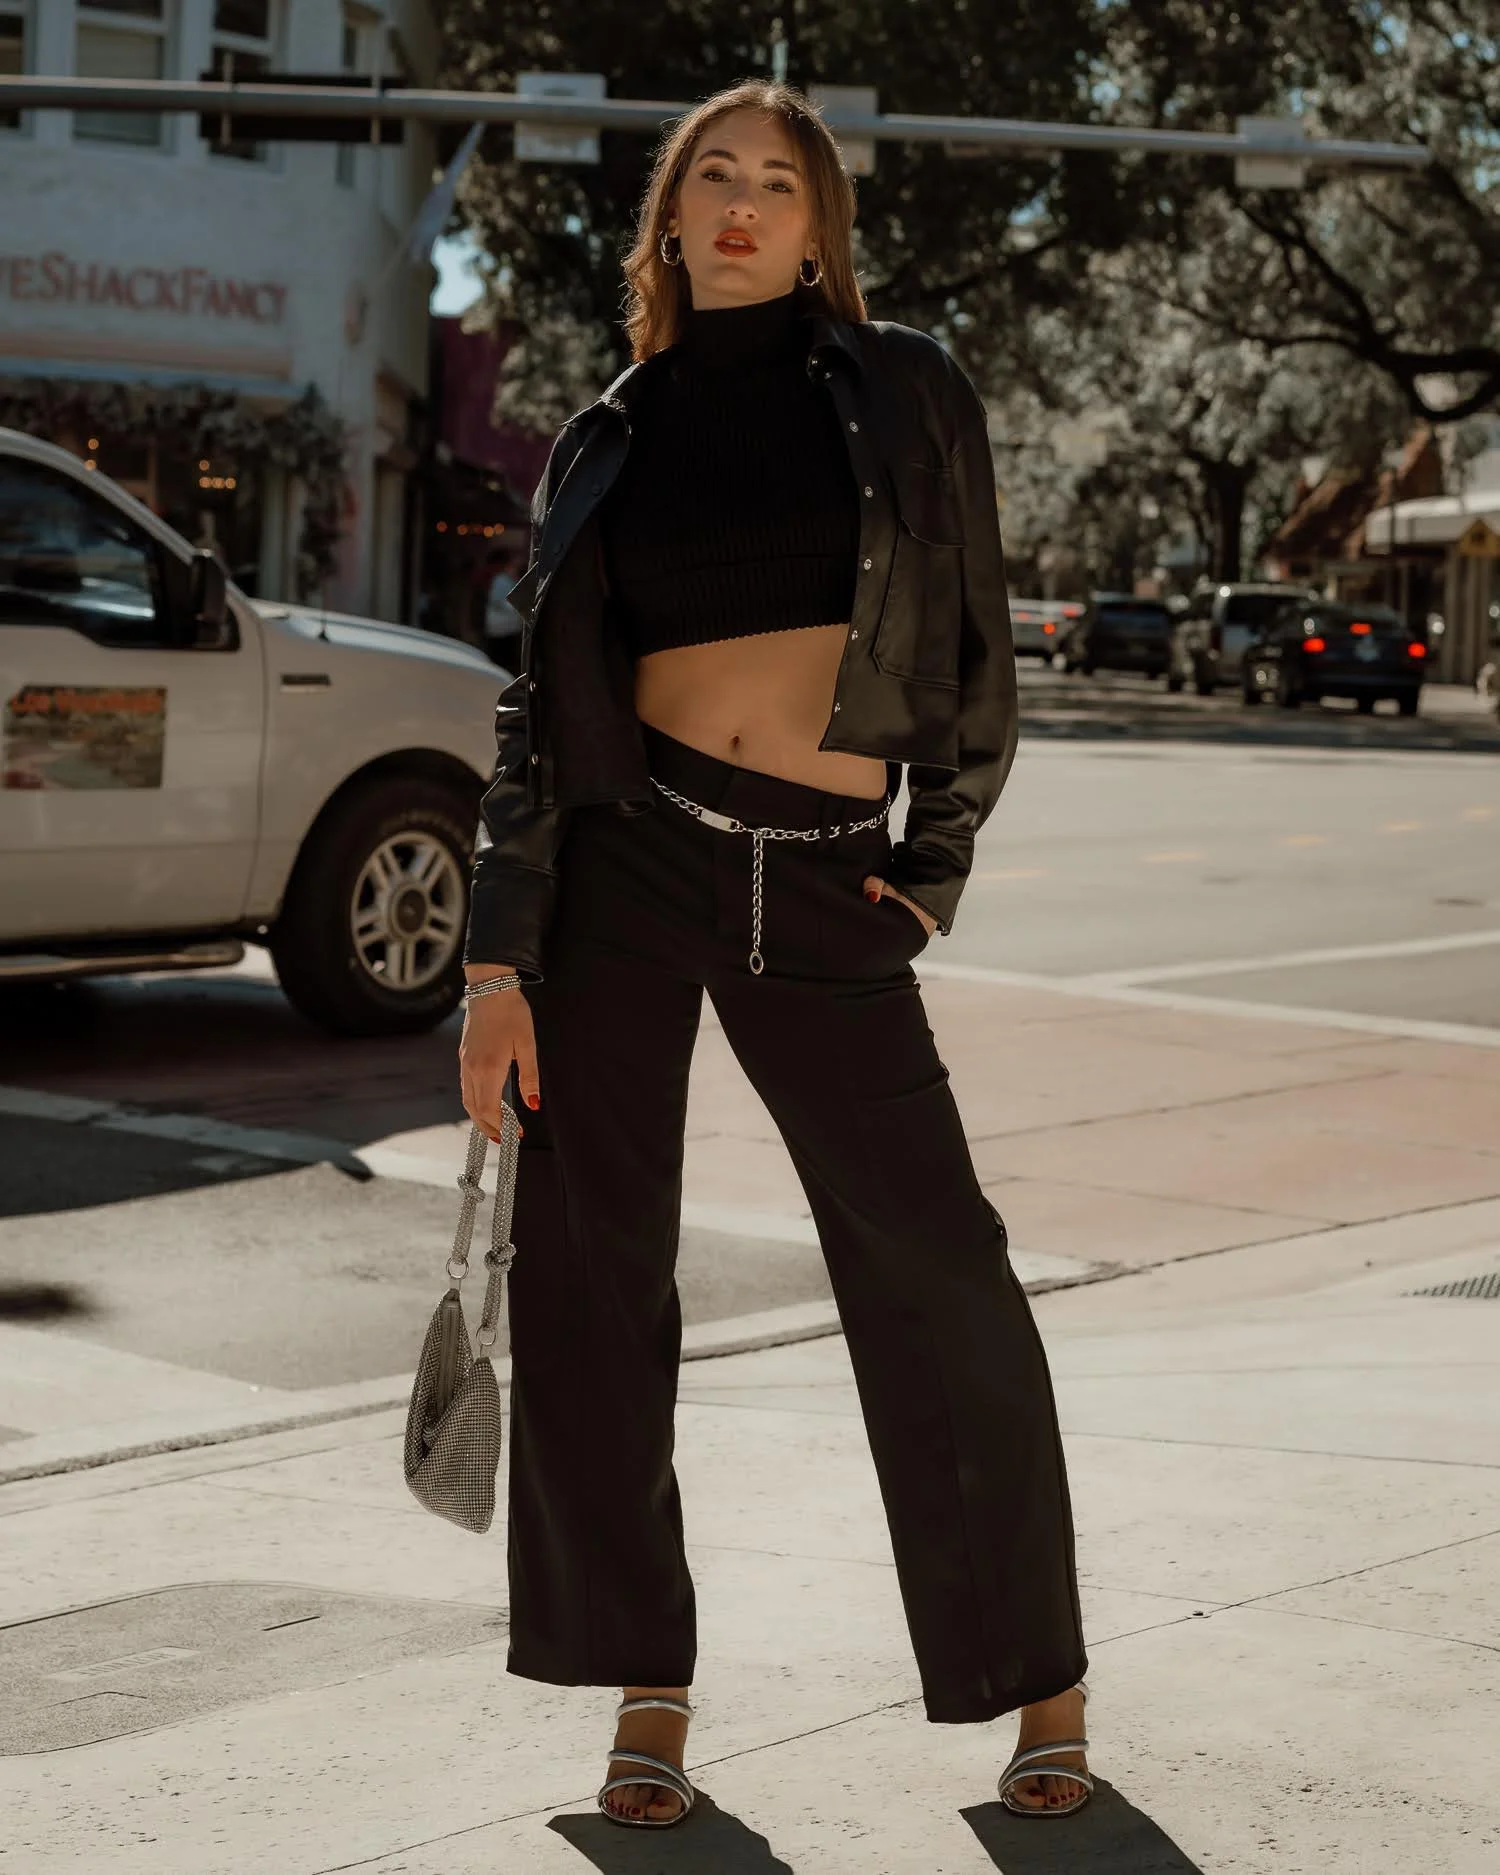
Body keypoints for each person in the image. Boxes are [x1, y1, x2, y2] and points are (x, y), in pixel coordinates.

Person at [458, 78, 1093, 1831]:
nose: (743, 204)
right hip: (629, 866)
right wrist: (497, 966)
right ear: (668, 220)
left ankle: (1038, 1675)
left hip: (826, 883)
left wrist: (934, 865)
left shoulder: (905, 389)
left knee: (941, 1271)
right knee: (593, 1278)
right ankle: (643, 1688)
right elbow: (536, 715)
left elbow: (971, 635)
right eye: (713, 178)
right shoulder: (607, 436)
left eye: (780, 184)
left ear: (821, 230)